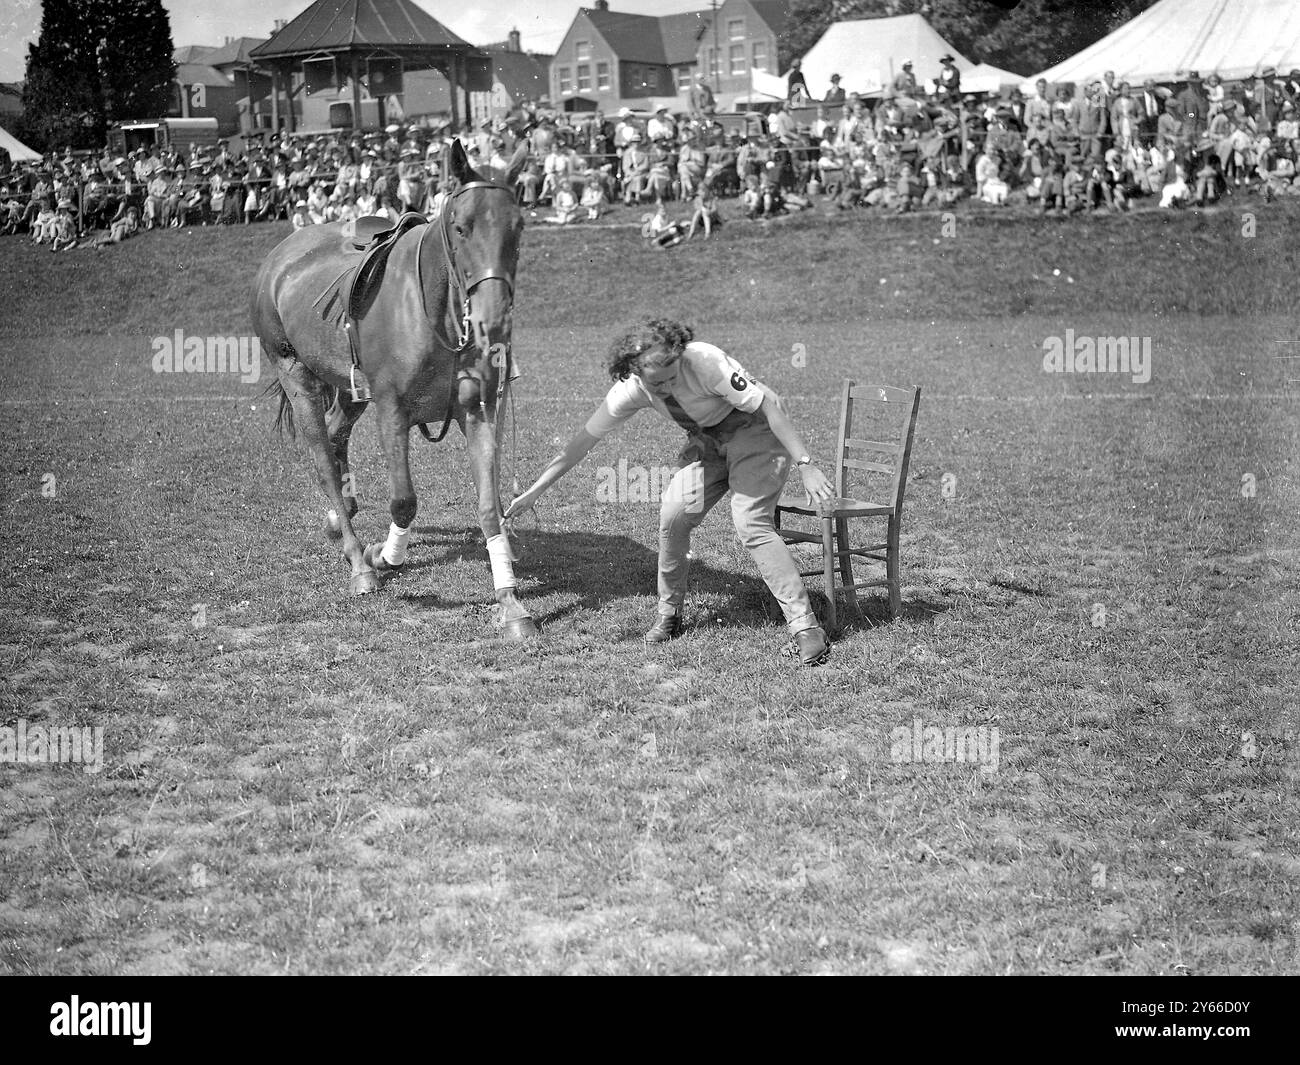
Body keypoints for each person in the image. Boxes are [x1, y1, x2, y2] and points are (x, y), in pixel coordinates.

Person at [505, 318, 834, 665]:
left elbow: (768, 405)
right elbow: (581, 444)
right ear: (634, 372)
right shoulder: (628, 392)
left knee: (750, 522)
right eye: (656, 383)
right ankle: (669, 613)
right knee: (674, 516)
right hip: (708, 444)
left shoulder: (704, 360)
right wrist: (534, 492)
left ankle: (805, 627)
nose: (667, 387)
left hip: (757, 434)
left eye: (673, 377)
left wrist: (806, 464)